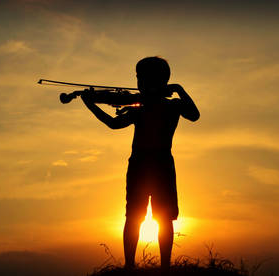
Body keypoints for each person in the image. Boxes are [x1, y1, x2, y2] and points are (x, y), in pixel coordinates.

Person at [81, 56, 200, 270]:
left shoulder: (156, 106)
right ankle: (154, 267)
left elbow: (113, 123)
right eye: (138, 78)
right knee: (152, 217)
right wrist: (177, 90)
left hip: (144, 164)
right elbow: (115, 123)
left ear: (158, 81)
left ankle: (132, 266)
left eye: (141, 78)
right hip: (159, 164)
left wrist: (91, 105)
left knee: (139, 217)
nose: (139, 84)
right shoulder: (157, 106)